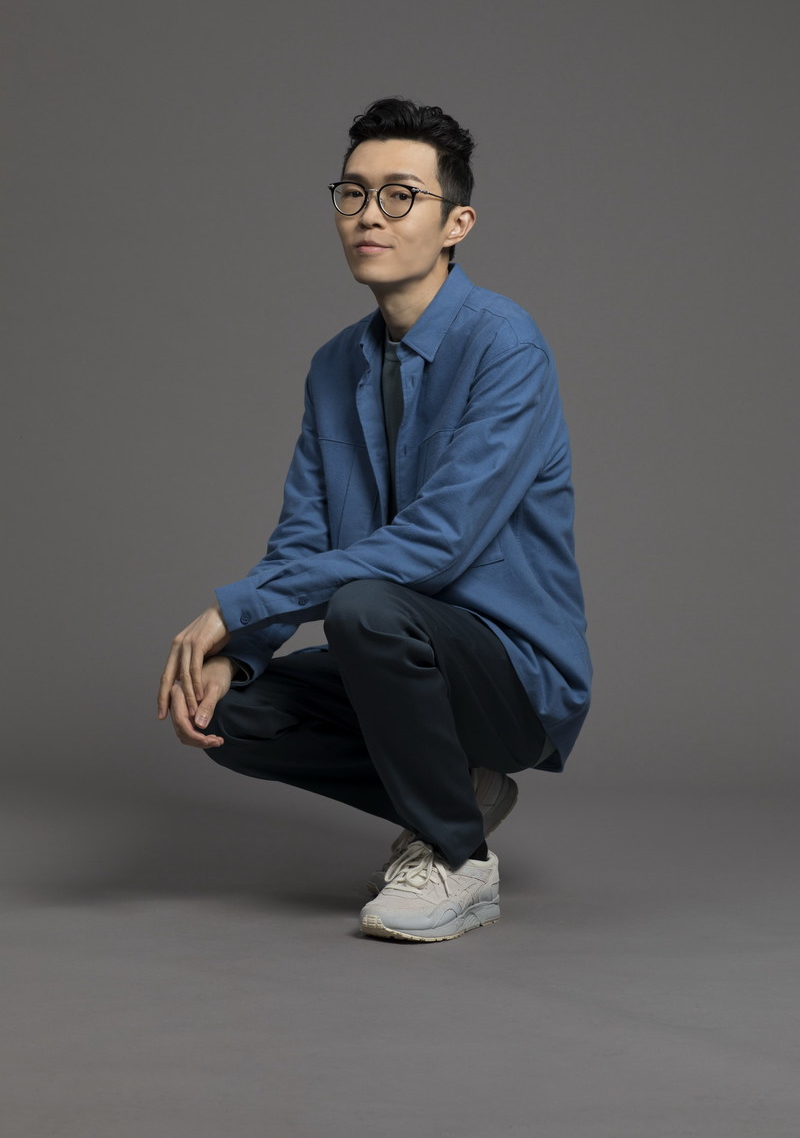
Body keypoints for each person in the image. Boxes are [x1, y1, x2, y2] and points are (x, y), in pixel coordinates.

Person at [157, 97, 591, 943]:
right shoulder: (335, 365)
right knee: (230, 711)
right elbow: (302, 537)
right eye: (352, 193)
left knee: (365, 605)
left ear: (457, 222)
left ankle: (458, 860)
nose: (368, 215)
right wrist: (238, 648)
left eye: (400, 195)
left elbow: (437, 545)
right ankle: (459, 795)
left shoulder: (506, 345)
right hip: (393, 654)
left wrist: (233, 606)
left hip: (511, 677)